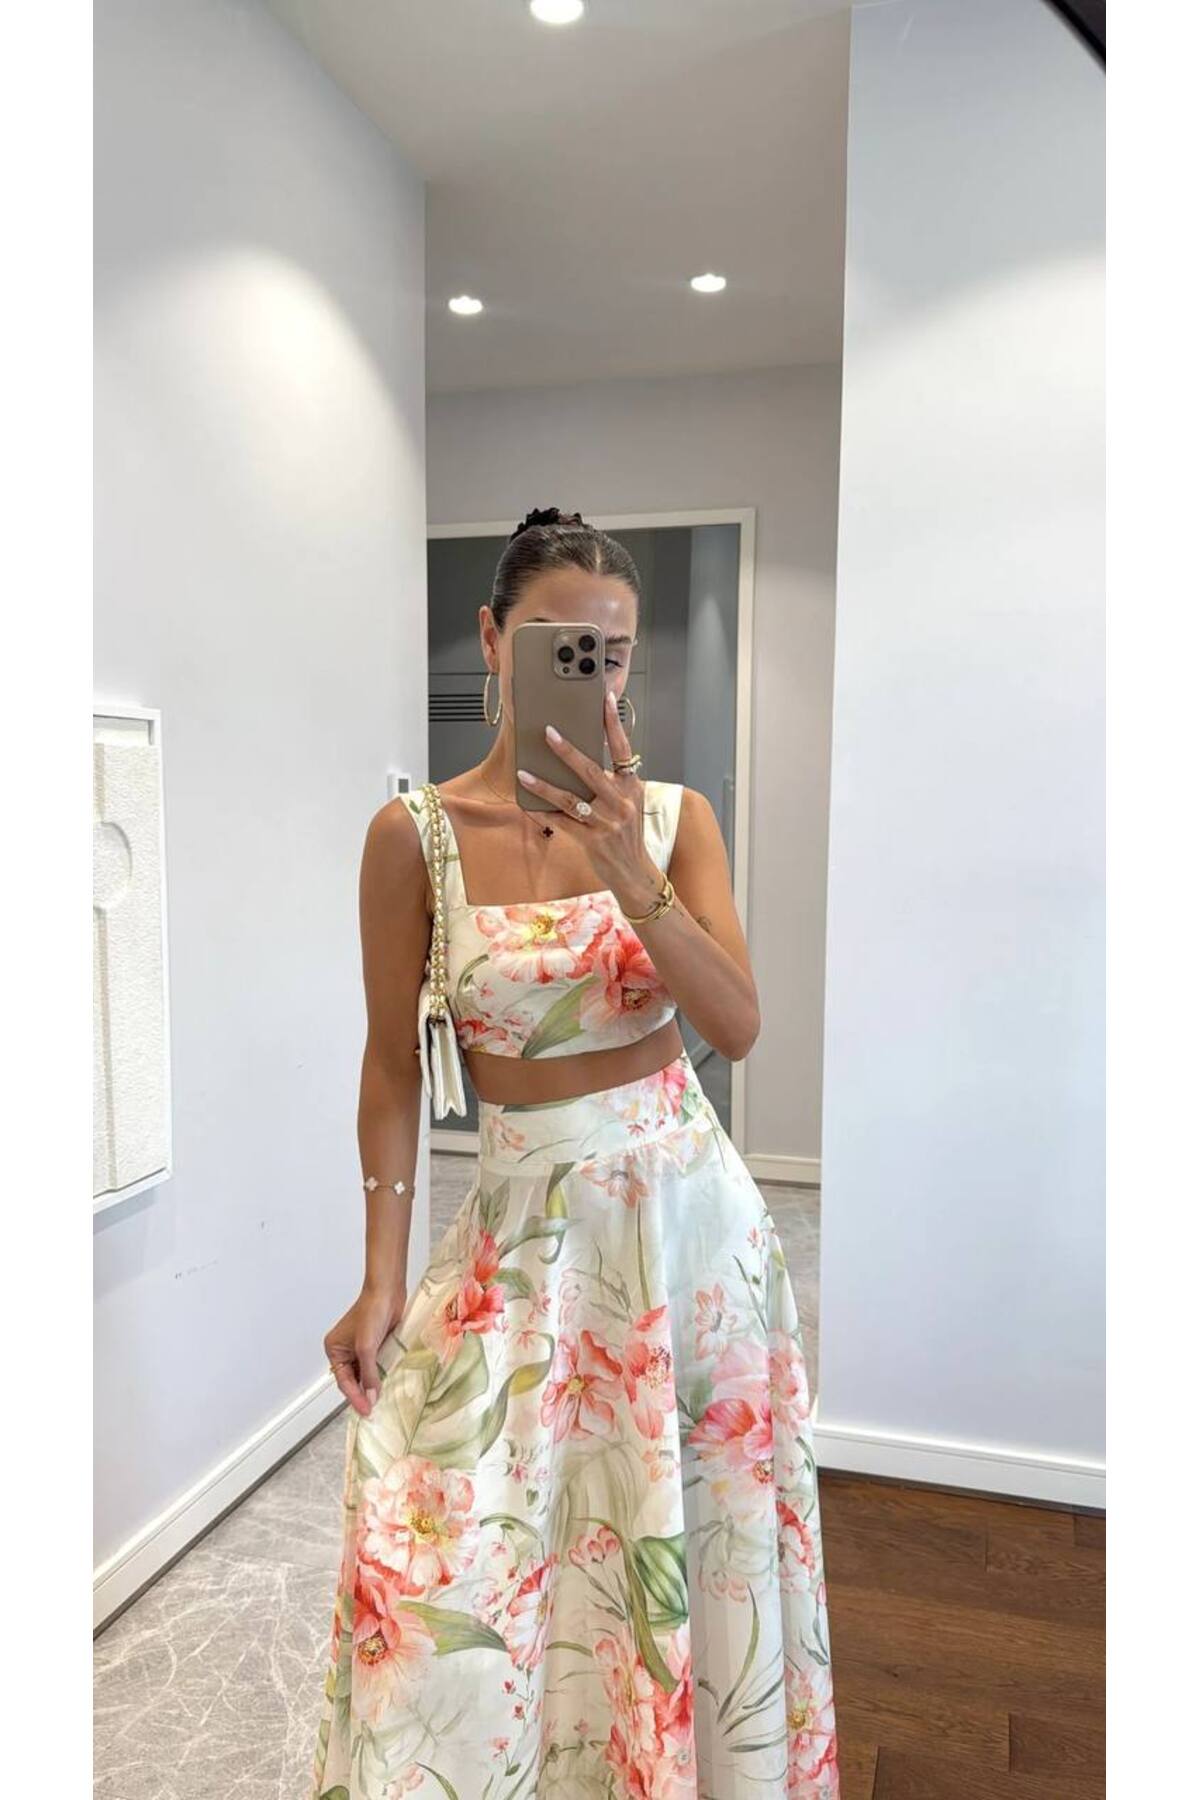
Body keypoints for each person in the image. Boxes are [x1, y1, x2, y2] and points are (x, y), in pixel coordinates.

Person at [308, 508, 841, 1799]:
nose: (589, 671)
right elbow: (391, 1067)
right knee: (447, 1557)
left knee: (676, 1553)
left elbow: (737, 1027)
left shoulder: (672, 820)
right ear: (493, 640)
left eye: (612, 651)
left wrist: (624, 864)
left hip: (688, 1232)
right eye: (559, 642)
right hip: (523, 1230)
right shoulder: (414, 838)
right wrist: (380, 1277)